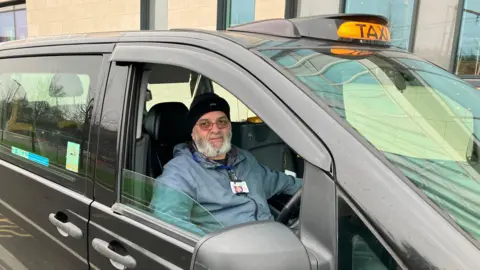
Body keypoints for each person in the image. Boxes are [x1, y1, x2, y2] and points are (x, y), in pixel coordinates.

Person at [149, 93, 303, 236]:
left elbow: (284, 183)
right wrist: (215, 249)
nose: (215, 129)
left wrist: (319, 187)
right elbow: (169, 223)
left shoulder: (245, 160)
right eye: (205, 124)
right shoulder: (179, 173)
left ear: (230, 126)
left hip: (274, 241)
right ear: (193, 132)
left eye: (221, 122)